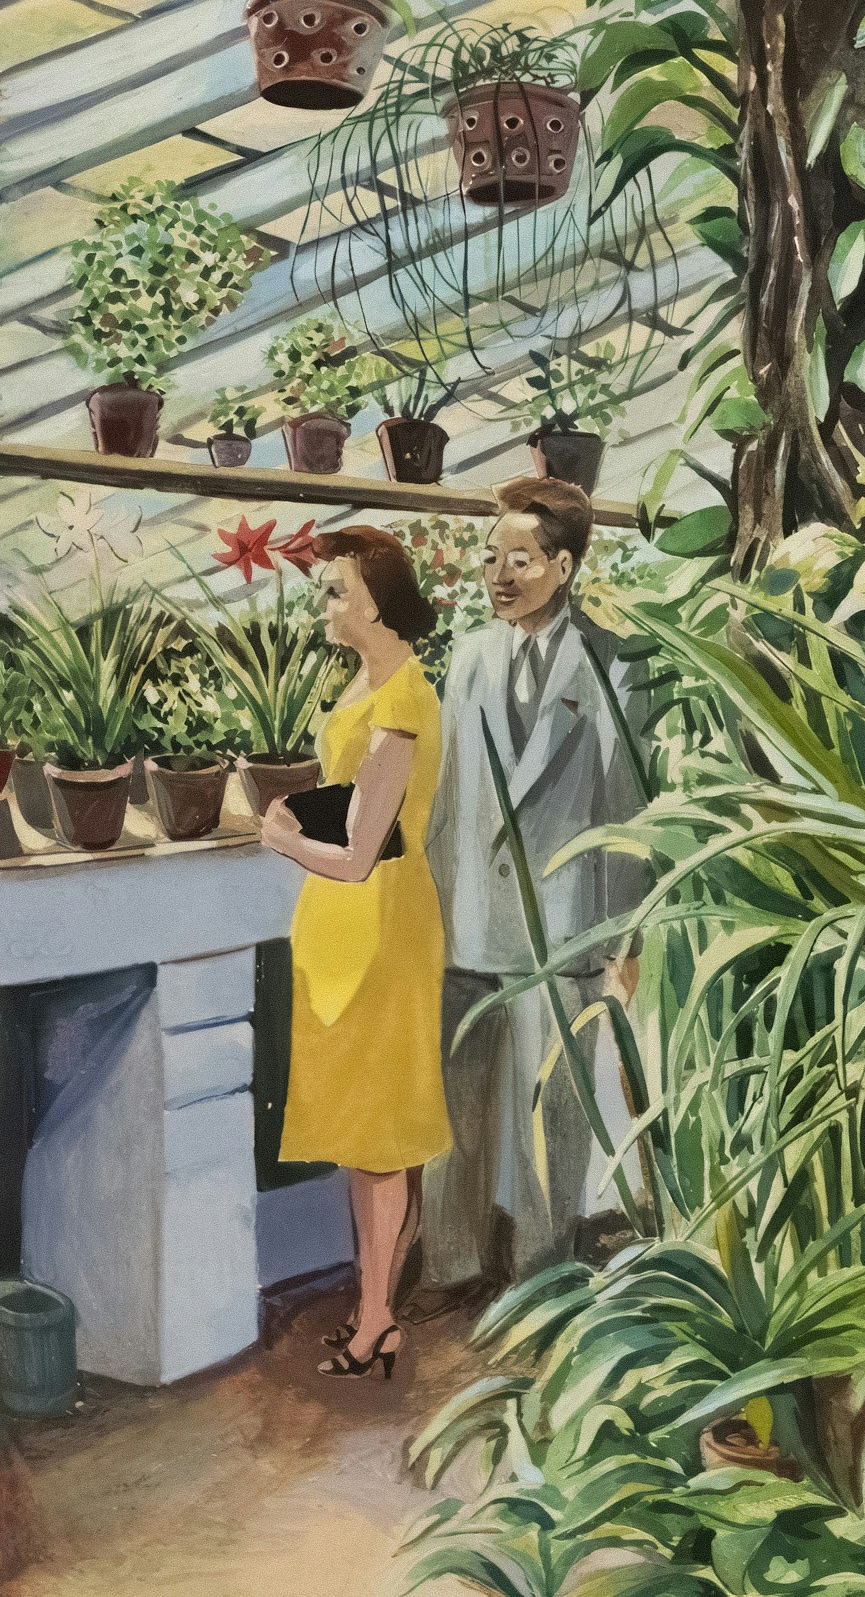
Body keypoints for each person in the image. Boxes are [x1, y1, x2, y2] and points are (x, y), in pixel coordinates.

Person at [421, 477, 652, 1303]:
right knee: (455, 1102)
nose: (499, 574)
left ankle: (543, 1271)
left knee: (552, 1107)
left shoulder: (617, 666)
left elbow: (629, 812)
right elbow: (447, 799)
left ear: (563, 564)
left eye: (520, 558)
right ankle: (449, 1263)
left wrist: (618, 940)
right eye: (491, 557)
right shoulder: (471, 656)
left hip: (564, 927)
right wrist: (433, 912)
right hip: (468, 921)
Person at [257, 525, 448, 1381]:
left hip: (377, 927)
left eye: (337, 590)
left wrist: (280, 834)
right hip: (352, 927)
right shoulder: (375, 685)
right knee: (370, 1136)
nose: (327, 604)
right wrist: (308, 809)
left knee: (378, 1138)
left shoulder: (402, 706)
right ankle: (377, 1309)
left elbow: (364, 851)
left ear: (379, 597)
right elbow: (359, 805)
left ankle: (375, 1318)